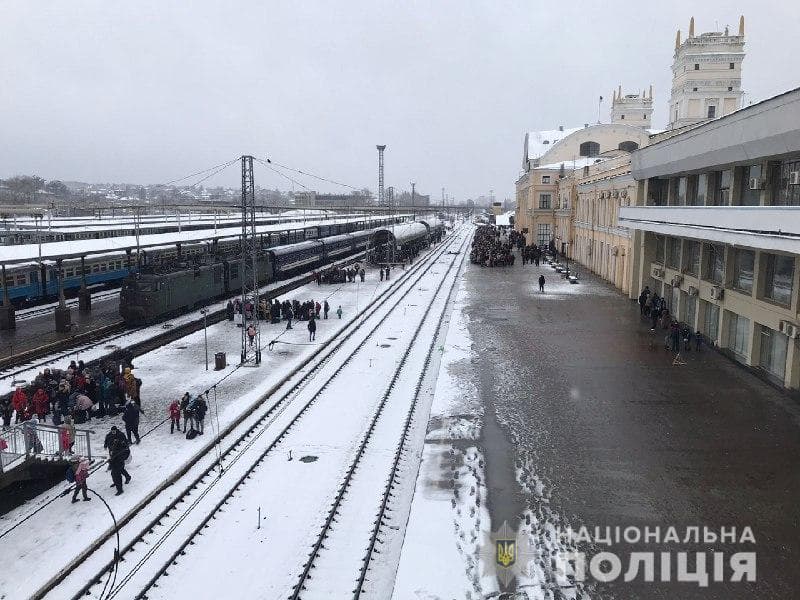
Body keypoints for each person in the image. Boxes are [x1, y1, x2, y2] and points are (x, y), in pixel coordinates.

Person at [106, 427, 131, 495]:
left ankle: (120, 489)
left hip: (119, 460)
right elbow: (107, 442)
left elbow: (125, 449)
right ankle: (127, 477)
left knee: (116, 475)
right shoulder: (109, 436)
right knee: (117, 472)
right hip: (114, 459)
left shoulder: (121, 437)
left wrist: (120, 457)